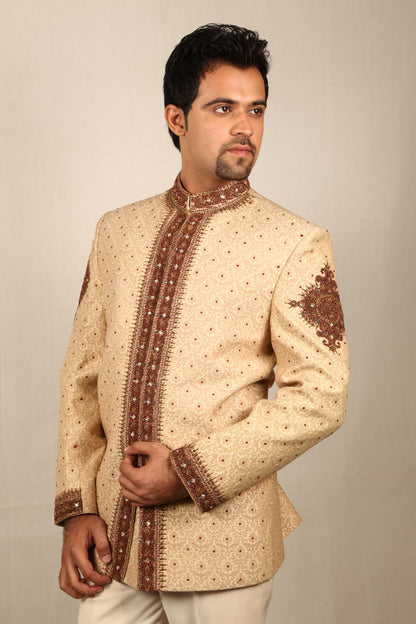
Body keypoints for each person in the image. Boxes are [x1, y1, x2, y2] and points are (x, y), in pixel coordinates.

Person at [54, 23, 350, 624]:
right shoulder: (118, 231)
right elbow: (81, 375)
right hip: (116, 534)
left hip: (225, 542)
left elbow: (320, 397)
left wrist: (188, 473)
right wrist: (78, 507)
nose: (245, 127)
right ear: (176, 118)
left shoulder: (295, 243)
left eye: (256, 110)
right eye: (223, 108)